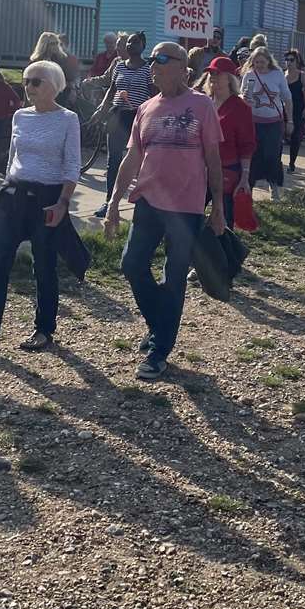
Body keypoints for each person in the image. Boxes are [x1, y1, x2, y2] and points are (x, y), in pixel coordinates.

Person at [104, 41, 225, 381]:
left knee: (174, 278)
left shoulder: (201, 106)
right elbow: (132, 158)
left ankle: (159, 350)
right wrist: (113, 202)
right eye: (153, 60)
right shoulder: (146, 109)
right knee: (132, 265)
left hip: (186, 207)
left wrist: (218, 207)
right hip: (148, 202)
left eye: (160, 59)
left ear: (181, 66)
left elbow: (213, 160)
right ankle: (160, 323)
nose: (153, 66)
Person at [0, 60, 81, 352]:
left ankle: (44, 330)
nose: (29, 87)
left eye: (36, 81)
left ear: (54, 85)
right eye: (26, 81)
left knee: (44, 264)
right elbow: (13, 157)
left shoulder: (67, 119)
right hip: (14, 194)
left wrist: (63, 202)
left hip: (47, 198)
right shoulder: (20, 117)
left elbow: (72, 164)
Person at [90, 30, 154, 217]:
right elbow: (112, 90)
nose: (130, 45)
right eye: (129, 43)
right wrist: (101, 110)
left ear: (143, 46)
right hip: (117, 116)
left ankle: (143, 201)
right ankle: (110, 201)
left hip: (138, 116)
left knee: (140, 161)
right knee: (113, 160)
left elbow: (153, 93)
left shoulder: (148, 69)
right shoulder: (119, 65)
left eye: (135, 42)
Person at [199, 55, 254, 228]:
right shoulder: (203, 103)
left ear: (229, 78)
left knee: (223, 220)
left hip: (227, 172)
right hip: (200, 169)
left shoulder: (240, 107)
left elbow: (247, 145)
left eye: (217, 73)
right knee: (191, 217)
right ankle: (193, 252)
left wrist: (244, 177)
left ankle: (225, 254)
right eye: (210, 73)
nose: (212, 76)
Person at [240, 46, 291, 200]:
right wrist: (244, 98)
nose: (259, 65)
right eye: (256, 62)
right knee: (253, 156)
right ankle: (250, 189)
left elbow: (287, 98)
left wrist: (291, 121)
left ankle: (274, 185)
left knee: (272, 155)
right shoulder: (249, 75)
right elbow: (242, 95)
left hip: (273, 122)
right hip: (254, 122)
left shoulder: (277, 74)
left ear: (269, 61)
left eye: (262, 62)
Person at [282, 48, 305, 173]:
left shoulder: (302, 75)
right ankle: (278, 162)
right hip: (284, 109)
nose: (289, 62)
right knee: (281, 135)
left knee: (295, 137)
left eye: (291, 60)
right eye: (287, 60)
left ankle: (292, 163)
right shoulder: (283, 75)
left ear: (297, 61)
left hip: (298, 109)